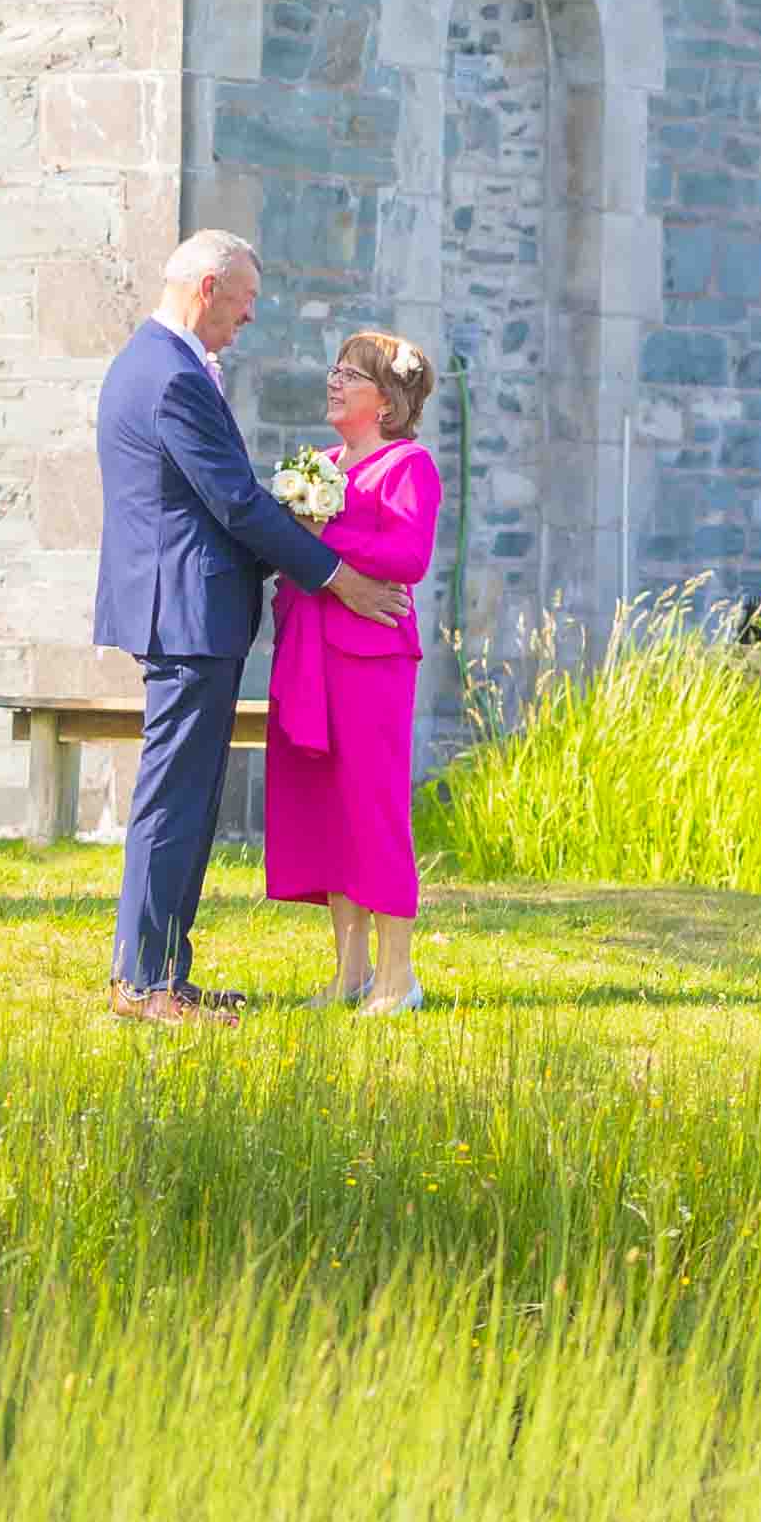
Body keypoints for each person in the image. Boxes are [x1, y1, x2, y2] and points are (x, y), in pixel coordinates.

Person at [91, 233, 413, 1024]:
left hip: (187, 611)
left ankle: (162, 970)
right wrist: (336, 577)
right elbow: (232, 501)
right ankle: (146, 983)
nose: (248, 319)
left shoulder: (157, 363)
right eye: (242, 303)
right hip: (185, 612)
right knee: (174, 800)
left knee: (188, 798)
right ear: (207, 287)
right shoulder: (169, 375)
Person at [261, 330, 445, 1014]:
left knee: (372, 808)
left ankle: (398, 977)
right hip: (307, 654)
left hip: (369, 661)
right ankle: (348, 972)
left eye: (349, 375)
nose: (333, 382)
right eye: (333, 371)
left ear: (386, 400)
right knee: (326, 808)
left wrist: (316, 536)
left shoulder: (407, 466)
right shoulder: (323, 463)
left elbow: (407, 557)